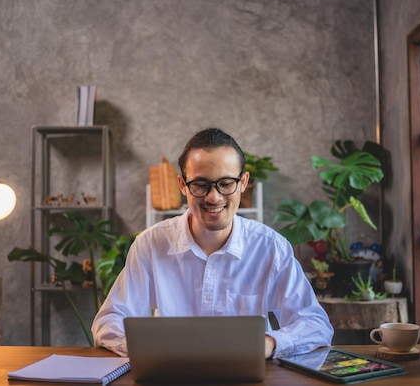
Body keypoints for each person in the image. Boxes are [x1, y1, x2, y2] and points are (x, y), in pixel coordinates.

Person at [91, 128, 333, 358]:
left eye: (226, 183)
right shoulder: (150, 244)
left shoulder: (271, 247)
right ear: (183, 186)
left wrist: (269, 343)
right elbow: (108, 320)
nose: (213, 197)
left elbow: (315, 324)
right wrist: (147, 349)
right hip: (171, 375)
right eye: (200, 184)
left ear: (243, 182)